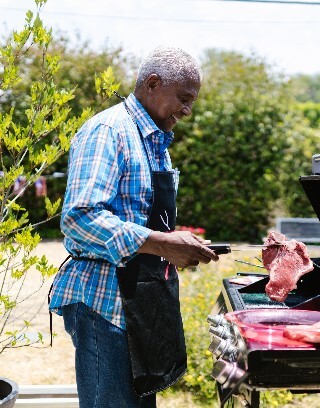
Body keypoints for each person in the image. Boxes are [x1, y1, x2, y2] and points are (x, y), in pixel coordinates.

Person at [49, 46, 219, 408]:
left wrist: (175, 247)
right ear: (153, 83)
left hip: (140, 303)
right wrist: (161, 243)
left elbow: (142, 217)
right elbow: (79, 218)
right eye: (184, 99)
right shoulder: (109, 131)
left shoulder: (156, 140)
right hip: (103, 304)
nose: (188, 110)